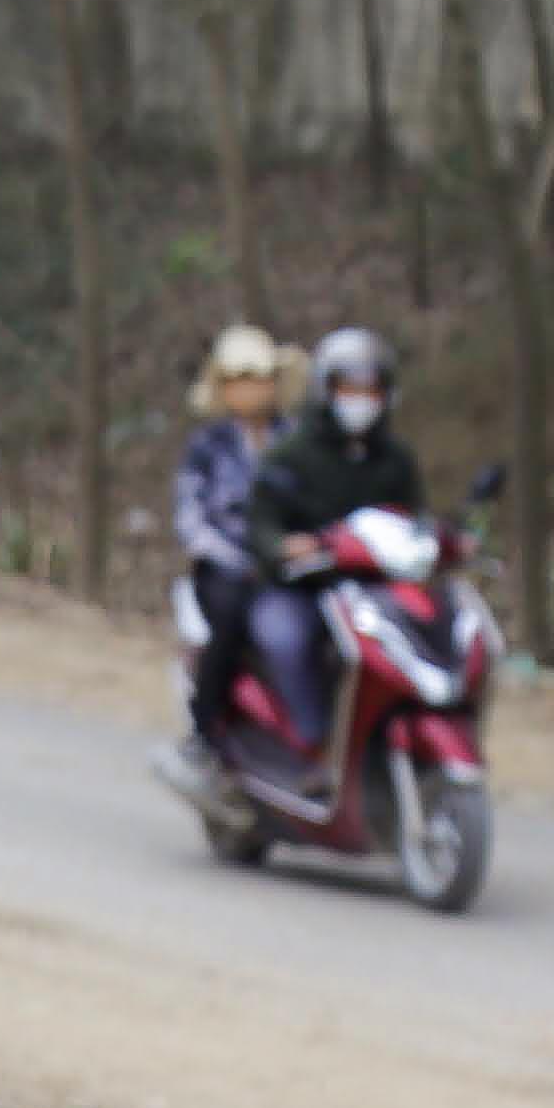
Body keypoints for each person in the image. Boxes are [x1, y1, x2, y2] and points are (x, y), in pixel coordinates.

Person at [240, 327, 428, 761]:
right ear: (327, 389)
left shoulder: (396, 460)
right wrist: (286, 547)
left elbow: (414, 521)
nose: (360, 400)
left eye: (370, 390)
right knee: (288, 639)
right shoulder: (290, 454)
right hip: (299, 588)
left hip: (374, 591)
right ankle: (312, 741)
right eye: (349, 388)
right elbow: (261, 523)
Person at [167, 326, 287, 792]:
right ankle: (203, 731)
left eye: (258, 376)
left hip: (285, 566)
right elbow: (191, 518)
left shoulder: (292, 441)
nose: (251, 387)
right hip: (224, 569)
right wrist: (235, 557)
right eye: (239, 377)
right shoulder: (207, 445)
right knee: (234, 619)